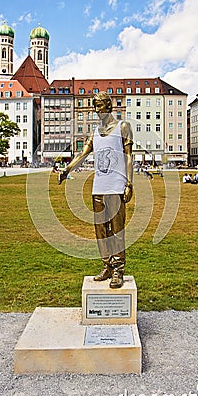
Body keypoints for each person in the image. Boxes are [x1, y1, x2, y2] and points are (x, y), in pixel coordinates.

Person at [58, 91, 133, 289]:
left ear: (108, 105)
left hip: (116, 187)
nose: (95, 109)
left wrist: (129, 184)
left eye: (98, 105)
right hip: (98, 189)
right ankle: (107, 265)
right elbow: (82, 156)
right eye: (94, 105)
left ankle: (119, 269)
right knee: (101, 230)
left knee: (117, 230)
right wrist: (66, 170)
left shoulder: (123, 127)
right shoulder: (95, 132)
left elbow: (128, 157)